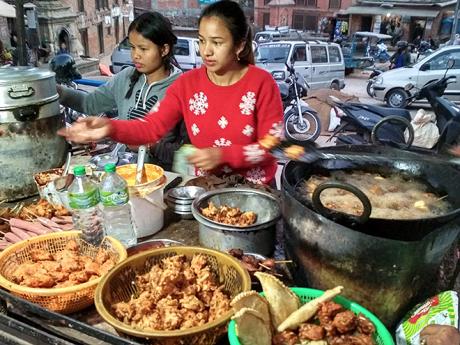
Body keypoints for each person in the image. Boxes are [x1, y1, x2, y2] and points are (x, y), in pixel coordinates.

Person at [58, 0, 283, 185]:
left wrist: (222, 155)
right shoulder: (187, 84)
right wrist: (109, 127)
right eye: (202, 41)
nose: (206, 51)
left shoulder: (262, 83)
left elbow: (273, 145)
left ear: (240, 45)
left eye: (217, 42)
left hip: (254, 190)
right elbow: (151, 128)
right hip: (206, 188)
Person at [57, 12, 188, 171]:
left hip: (165, 178)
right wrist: (56, 91)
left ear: (164, 49)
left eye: (143, 48)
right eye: (132, 47)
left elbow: (187, 153)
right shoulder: (126, 77)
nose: (135, 55)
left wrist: (149, 146)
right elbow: (89, 103)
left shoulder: (183, 89)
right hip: (126, 169)